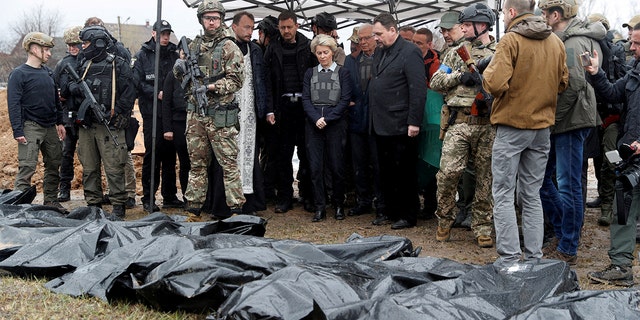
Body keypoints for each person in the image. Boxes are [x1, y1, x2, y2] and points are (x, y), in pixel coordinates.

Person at [482, 0, 569, 267]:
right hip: (541, 128)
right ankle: (534, 258)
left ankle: (509, 260)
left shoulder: (510, 41)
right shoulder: (556, 42)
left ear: (510, 12)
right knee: (532, 194)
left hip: (512, 126)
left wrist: (487, 74)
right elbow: (564, 82)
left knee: (504, 194)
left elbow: (494, 83)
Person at [538, 0, 605, 264]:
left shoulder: (574, 42)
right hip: (568, 119)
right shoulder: (565, 38)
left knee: (568, 186)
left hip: (571, 121)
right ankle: (562, 231)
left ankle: (568, 245)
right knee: (544, 180)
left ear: (556, 15)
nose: (542, 17)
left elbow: (575, 84)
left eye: (545, 13)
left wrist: (552, 119)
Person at [430, 3, 497, 247]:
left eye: (468, 25)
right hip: (459, 122)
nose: (463, 28)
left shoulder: (500, 51)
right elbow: (436, 80)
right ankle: (444, 220)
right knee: (448, 174)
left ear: (483, 26)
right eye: (463, 25)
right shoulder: (456, 51)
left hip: (488, 123)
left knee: (485, 178)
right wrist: (460, 77)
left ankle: (482, 226)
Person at [174, 0, 245, 221]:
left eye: (215, 18)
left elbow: (236, 80)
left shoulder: (229, 46)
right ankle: (193, 209)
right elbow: (181, 78)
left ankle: (236, 211)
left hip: (220, 114)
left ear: (221, 19)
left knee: (229, 165)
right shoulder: (193, 46)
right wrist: (180, 68)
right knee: (196, 165)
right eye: (207, 18)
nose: (211, 22)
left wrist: (213, 87)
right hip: (196, 115)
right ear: (201, 20)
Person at [585, 22, 640, 287]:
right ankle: (621, 267)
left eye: (638, 44)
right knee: (623, 211)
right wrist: (596, 74)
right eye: (633, 42)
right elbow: (612, 92)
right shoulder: (634, 73)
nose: (631, 47)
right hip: (631, 158)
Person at [202, 10, 268, 216]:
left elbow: (262, 81)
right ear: (234, 26)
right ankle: (222, 205)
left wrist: (266, 109)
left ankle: (247, 202)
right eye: (247, 27)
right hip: (225, 111)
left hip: (249, 113)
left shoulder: (254, 50)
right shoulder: (221, 47)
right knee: (225, 158)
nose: (250, 31)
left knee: (248, 156)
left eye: (252, 27)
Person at [369, 12, 426, 229]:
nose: (376, 38)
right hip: (380, 122)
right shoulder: (380, 52)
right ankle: (391, 211)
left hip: (401, 123)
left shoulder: (410, 52)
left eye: (379, 34)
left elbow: (418, 88)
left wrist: (414, 122)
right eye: (375, 34)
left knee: (404, 172)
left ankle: (408, 215)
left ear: (392, 30)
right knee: (386, 172)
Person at [71, 25, 135, 218]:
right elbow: (71, 87)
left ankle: (118, 205)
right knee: (89, 167)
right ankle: (93, 204)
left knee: (115, 167)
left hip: (109, 125)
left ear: (98, 43)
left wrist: (120, 114)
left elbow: (130, 91)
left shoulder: (119, 64)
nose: (83, 47)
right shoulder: (83, 64)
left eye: (86, 43)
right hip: (87, 125)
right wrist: (74, 91)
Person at [263, 11, 317, 213]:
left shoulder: (308, 46)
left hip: (304, 108)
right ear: (278, 27)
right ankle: (285, 197)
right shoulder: (272, 48)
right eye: (282, 27)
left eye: (289, 27)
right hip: (282, 107)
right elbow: (267, 81)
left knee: (307, 154)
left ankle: (308, 196)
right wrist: (269, 109)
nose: (286, 30)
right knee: (282, 156)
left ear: (297, 25)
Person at [7, 32, 66, 212]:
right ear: (33, 49)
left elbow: (55, 101)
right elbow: (14, 104)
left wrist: (60, 123)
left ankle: (50, 200)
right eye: (45, 50)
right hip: (30, 126)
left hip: (50, 127)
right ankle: (20, 207)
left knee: (54, 163)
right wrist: (18, 131)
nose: (49, 54)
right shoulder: (19, 74)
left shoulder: (48, 72)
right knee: (27, 167)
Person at [132, 19, 182, 213]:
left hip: (171, 112)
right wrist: (156, 93)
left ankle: (170, 196)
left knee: (170, 155)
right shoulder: (143, 55)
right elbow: (137, 83)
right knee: (153, 155)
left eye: (168, 34)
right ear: (154, 33)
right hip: (152, 112)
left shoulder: (173, 53)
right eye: (162, 34)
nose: (165, 37)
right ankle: (149, 197)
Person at [585, 13, 629, 226]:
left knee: (610, 160)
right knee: (595, 160)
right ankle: (604, 199)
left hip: (611, 116)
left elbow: (618, 89)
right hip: (593, 115)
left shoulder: (616, 52)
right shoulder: (587, 49)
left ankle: (608, 206)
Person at [302, 34, 352, 222]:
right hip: (314, 125)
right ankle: (319, 207)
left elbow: (345, 99)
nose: (322, 56)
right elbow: (306, 99)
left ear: (332, 52)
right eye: (319, 53)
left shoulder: (342, 73)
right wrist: (316, 119)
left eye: (326, 52)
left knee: (336, 166)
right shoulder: (310, 73)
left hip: (335, 125)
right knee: (315, 168)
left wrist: (328, 119)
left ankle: (338, 205)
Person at [343, 23, 385, 219]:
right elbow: (346, 85)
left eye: (367, 38)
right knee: (358, 163)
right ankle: (363, 201)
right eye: (360, 39)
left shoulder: (384, 58)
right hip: (357, 119)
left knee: (378, 164)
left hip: (378, 121)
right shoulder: (351, 61)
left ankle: (381, 203)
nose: (364, 42)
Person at [413, 27, 443, 219]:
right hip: (415, 116)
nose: (415, 46)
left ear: (429, 45)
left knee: (431, 160)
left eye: (419, 43)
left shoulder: (437, 64)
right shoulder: (409, 59)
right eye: (413, 42)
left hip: (431, 118)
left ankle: (431, 205)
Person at [54, 26, 83, 203]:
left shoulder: (88, 61)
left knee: (89, 156)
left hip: (86, 114)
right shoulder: (63, 64)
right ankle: (64, 188)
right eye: (70, 45)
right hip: (67, 114)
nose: (73, 48)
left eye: (76, 44)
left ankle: (92, 190)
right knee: (66, 154)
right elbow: (55, 88)